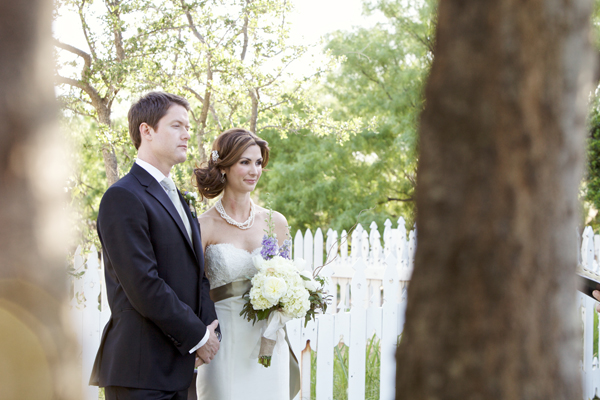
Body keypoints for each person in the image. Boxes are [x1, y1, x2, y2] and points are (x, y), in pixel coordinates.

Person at [89, 92, 220, 400]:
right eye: (176, 125)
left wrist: (209, 332)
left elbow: (197, 273)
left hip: (181, 367)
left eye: (188, 127)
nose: (187, 134)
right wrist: (198, 336)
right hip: (140, 371)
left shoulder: (179, 199)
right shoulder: (123, 197)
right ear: (146, 131)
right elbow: (143, 284)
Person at [193, 128, 300, 400]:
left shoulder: (276, 222)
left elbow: (290, 279)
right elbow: (192, 290)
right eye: (245, 162)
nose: (254, 170)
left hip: (267, 341)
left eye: (258, 163)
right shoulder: (203, 226)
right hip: (223, 345)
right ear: (225, 167)